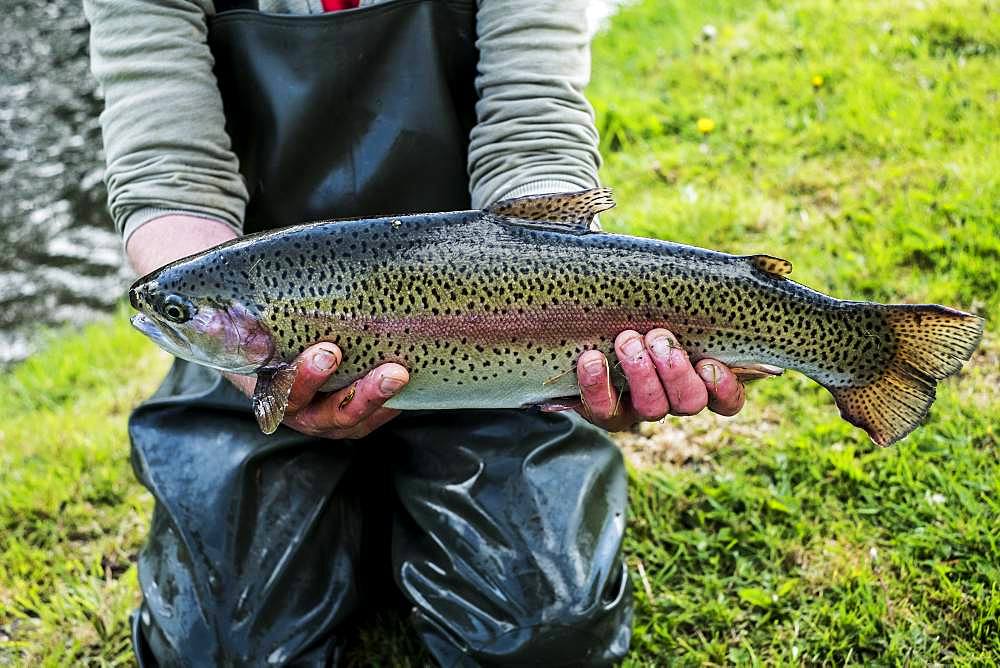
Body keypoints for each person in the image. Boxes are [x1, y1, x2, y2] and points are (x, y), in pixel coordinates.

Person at [85, 0, 746, 664]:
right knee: (217, 651)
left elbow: (532, 132)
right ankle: (373, 513)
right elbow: (171, 177)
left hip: (492, 336)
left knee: (543, 638)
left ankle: (381, 517)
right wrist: (249, 371)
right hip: (260, 350)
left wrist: (584, 320)